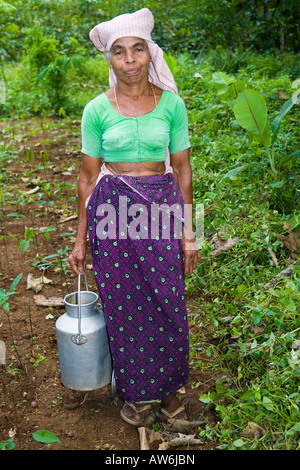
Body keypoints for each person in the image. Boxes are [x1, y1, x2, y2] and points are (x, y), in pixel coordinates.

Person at [68, 8, 201, 426]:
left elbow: (182, 170)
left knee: (168, 301)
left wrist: (189, 233)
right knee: (124, 305)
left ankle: (170, 392)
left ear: (149, 53)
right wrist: (79, 240)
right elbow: (88, 179)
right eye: (119, 52)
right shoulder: (97, 110)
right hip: (112, 208)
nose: (129, 60)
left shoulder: (171, 106)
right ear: (109, 60)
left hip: (161, 206)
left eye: (137, 50)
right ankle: (139, 396)